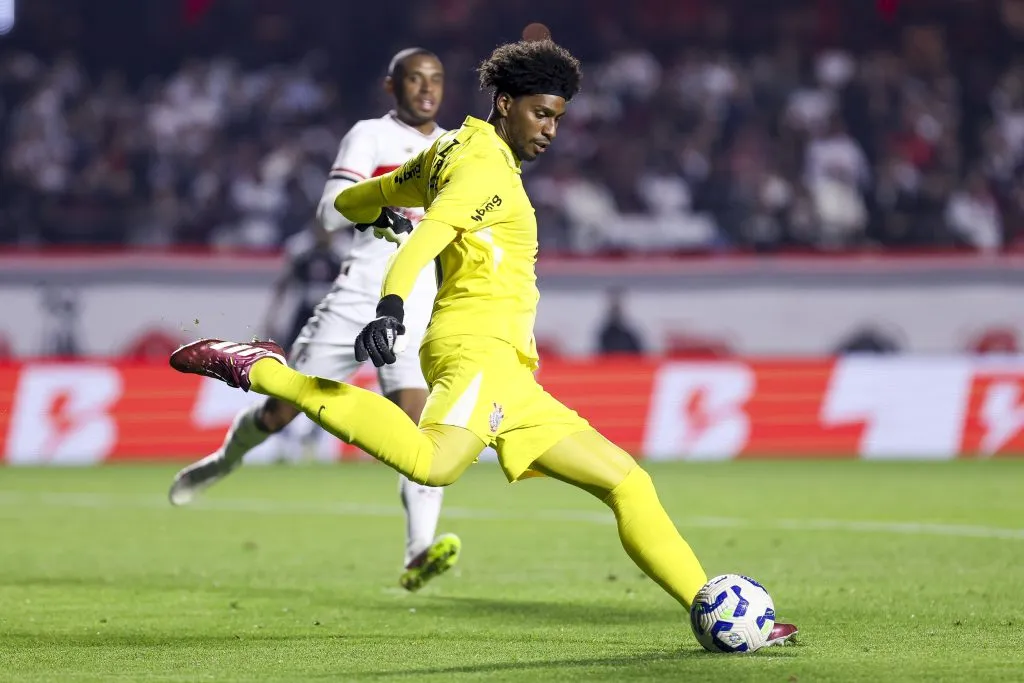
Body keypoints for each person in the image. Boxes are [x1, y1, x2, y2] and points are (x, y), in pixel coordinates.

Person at [169, 39, 797, 644]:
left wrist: (373, 212)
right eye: (541, 114)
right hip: (478, 350)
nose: (550, 129)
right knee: (433, 464)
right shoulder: (486, 172)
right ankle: (272, 372)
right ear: (505, 103)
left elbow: (358, 199)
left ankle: (715, 610)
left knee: (626, 483)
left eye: (558, 118)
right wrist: (390, 305)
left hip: (511, 376)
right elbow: (425, 239)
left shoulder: (448, 153)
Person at [167, 48, 461, 593]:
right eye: (414, 80)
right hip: (356, 301)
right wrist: (380, 203)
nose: (427, 89)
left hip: (416, 307)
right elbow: (329, 211)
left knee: (420, 430)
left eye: (436, 80)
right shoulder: (370, 135)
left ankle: (419, 550)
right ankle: (223, 461)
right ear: (391, 86)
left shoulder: (453, 150)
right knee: (280, 412)